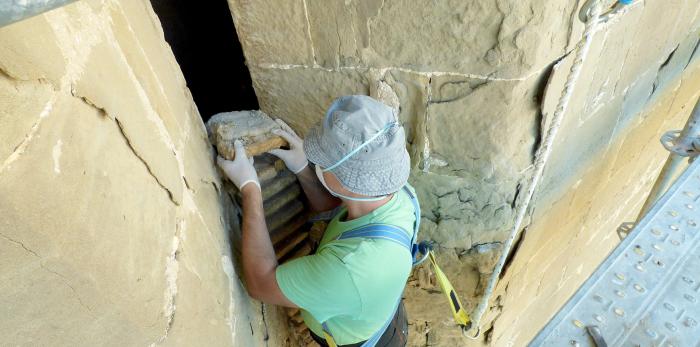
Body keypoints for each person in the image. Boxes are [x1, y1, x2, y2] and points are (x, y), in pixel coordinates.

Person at [217, 95, 417, 347]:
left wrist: (250, 190)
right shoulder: (401, 197)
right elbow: (337, 210)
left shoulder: (346, 269)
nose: (316, 163)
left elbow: (260, 283)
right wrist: (303, 168)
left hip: (355, 340)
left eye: (321, 162)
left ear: (346, 181)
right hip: (381, 317)